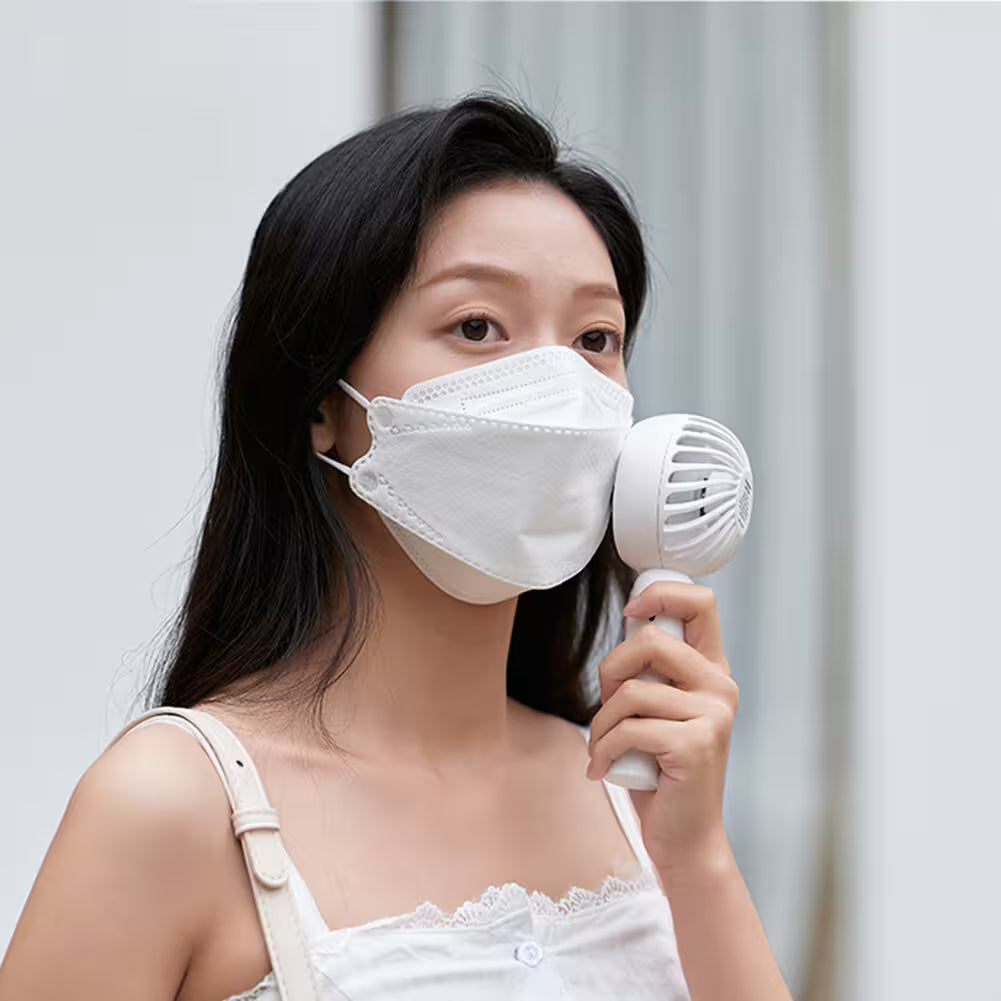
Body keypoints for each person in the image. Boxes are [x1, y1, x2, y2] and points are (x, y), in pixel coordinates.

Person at [0, 93, 793, 1001]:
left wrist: (696, 857)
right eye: (476, 326)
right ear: (322, 405)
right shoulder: (170, 806)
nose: (558, 389)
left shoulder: (634, 792)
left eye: (594, 338)